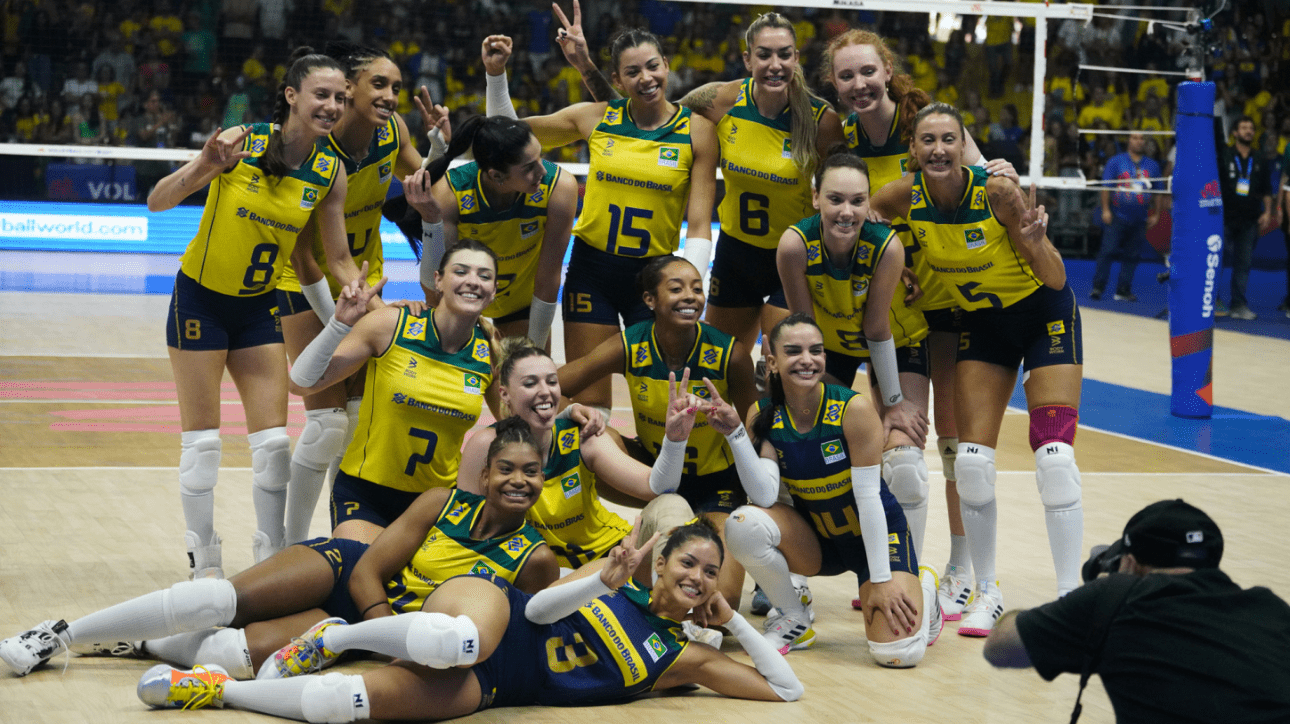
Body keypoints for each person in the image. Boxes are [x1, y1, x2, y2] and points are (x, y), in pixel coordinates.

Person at [0, 417, 559, 681]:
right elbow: (369, 570)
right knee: (215, 600)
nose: (519, 481)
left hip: (369, 627)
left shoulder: (536, 559)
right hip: (349, 580)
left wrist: (369, 643)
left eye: (532, 473)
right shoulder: (441, 502)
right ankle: (59, 633)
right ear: (483, 476)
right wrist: (380, 633)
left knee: (230, 658)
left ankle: (140, 641)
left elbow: (502, 631)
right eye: (506, 469)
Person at [132, 519, 803, 721]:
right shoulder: (613, 577)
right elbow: (539, 608)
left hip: (502, 685)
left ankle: (215, 689)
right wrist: (599, 580)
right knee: (453, 638)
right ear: (664, 564)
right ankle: (338, 636)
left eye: (711, 574)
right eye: (689, 563)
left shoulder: (677, 657)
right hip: (494, 614)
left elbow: (784, 690)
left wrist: (734, 624)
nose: (697, 578)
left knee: (343, 705)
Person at [871, 103, 1084, 636]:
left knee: (1054, 457)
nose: (938, 149)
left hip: (1042, 317)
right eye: (928, 140)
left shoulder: (996, 193)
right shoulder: (903, 195)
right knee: (969, 462)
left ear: (964, 145)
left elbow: (1056, 280)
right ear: (913, 151)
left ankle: (1070, 596)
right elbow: (873, 222)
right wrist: (903, 268)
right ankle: (987, 590)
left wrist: (1035, 242)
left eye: (949, 139)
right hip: (985, 326)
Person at [822, 30, 1014, 617]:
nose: (858, 85)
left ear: (887, 71)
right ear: (834, 83)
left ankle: (960, 565)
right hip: (898, 305)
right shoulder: (839, 134)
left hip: (949, 295)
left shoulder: (925, 128)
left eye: (867, 73)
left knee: (955, 442)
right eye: (846, 76)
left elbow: (986, 183)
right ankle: (898, 566)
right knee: (899, 448)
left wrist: (1001, 172)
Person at [148, 48, 350, 579]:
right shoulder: (243, 140)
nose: (332, 105)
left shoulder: (330, 170)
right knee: (204, 446)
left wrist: (366, 297)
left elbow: (340, 258)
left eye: (340, 98)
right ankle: (204, 562)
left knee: (274, 447)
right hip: (200, 302)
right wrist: (204, 167)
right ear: (291, 96)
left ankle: (269, 562)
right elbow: (158, 200)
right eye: (322, 95)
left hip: (258, 309)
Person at [482, 25, 718, 418]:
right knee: (590, 404)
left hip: (656, 275)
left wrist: (690, 283)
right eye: (632, 71)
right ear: (616, 80)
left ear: (667, 66)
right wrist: (496, 74)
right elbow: (507, 137)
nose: (646, 78)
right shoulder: (594, 118)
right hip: (594, 271)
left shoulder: (697, 131)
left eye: (653, 66)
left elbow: (698, 223)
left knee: (665, 400)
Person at [274, 41, 435, 546]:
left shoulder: (393, 132)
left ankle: (347, 541)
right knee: (324, 426)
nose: (390, 96)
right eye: (378, 85)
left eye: (395, 87)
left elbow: (431, 183)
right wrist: (349, 321)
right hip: (304, 284)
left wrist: (447, 146)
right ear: (348, 88)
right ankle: (290, 548)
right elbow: (305, 257)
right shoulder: (316, 151)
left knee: (360, 423)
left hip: (361, 283)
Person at [711, 314, 939, 665]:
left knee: (896, 653)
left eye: (816, 350)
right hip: (818, 540)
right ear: (772, 361)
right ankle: (793, 617)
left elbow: (869, 498)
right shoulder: (764, 413)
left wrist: (880, 579)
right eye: (794, 351)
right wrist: (735, 433)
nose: (808, 359)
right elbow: (766, 495)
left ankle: (923, 588)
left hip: (873, 536)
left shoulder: (853, 409)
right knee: (743, 523)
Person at [558, 256, 757, 607]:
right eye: (676, 288)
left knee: (718, 600)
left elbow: (756, 428)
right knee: (588, 435)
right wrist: (575, 409)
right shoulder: (630, 344)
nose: (690, 296)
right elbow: (558, 383)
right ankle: (576, 536)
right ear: (650, 299)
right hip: (653, 475)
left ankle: (649, 577)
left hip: (718, 485)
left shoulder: (732, 356)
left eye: (697, 288)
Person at [984, 499, 1290, 723]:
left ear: (1128, 562)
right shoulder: (1272, 609)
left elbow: (1000, 648)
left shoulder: (1118, 598)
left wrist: (1096, 595)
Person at [287, 242, 498, 545]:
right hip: (367, 495)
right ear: (438, 280)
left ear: (493, 289)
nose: (473, 281)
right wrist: (339, 324)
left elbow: (517, 425)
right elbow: (302, 383)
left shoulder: (491, 350)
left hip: (437, 503)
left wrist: (571, 414)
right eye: (461, 271)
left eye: (484, 275)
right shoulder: (392, 324)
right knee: (361, 573)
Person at [776, 151, 931, 560]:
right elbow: (802, 327)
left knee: (905, 464)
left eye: (858, 201)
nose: (847, 212)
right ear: (815, 198)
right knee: (792, 447)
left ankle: (905, 571)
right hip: (831, 347)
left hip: (895, 342)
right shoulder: (794, 245)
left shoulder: (886, 247)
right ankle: (797, 568)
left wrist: (893, 405)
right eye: (836, 199)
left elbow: (877, 329)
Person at [673, 12, 844, 357]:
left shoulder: (821, 120)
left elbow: (844, 191)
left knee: (782, 364)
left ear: (796, 58)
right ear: (748, 59)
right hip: (735, 254)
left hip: (794, 256)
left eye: (784, 54)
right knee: (720, 363)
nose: (775, 64)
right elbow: (656, 123)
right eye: (764, 54)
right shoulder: (720, 100)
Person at [459, 338, 693, 570]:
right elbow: (465, 531)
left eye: (552, 382)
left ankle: (674, 601)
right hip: (538, 573)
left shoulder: (582, 436)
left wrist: (675, 439)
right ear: (504, 394)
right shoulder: (486, 446)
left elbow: (659, 487)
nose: (545, 392)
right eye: (530, 384)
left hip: (611, 555)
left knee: (672, 504)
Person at [416, 113, 577, 347]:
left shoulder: (559, 188)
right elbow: (439, 282)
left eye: (540, 158)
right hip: (463, 300)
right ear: (496, 175)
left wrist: (535, 350)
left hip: (520, 305)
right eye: (529, 167)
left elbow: (548, 280)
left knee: (523, 373)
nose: (542, 171)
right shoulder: (451, 194)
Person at [1091, 130, 1162, 302]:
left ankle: (1123, 289)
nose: (1138, 141)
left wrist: (1157, 214)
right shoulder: (1116, 161)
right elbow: (1106, 186)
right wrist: (1105, 209)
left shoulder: (1152, 165)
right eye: (1135, 138)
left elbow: (1158, 191)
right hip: (1117, 214)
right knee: (1107, 251)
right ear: (1128, 140)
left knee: (1132, 255)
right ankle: (1098, 287)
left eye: (1141, 138)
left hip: (1140, 217)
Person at [1218, 115, 1274, 320]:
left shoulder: (1259, 159)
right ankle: (1212, 301)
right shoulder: (1224, 155)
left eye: (1251, 128)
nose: (1248, 131)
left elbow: (1267, 190)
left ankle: (1238, 305)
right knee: (1217, 261)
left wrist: (1267, 212)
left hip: (1250, 219)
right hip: (1224, 218)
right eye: (1244, 128)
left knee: (1243, 264)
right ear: (1235, 133)